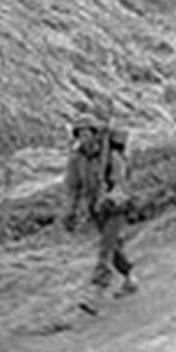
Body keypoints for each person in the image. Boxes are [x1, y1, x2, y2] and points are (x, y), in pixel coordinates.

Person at [62, 118, 138, 297]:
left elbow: (121, 182)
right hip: (96, 209)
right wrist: (70, 212)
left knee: (105, 249)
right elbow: (73, 188)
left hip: (116, 207)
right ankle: (130, 279)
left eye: (87, 133)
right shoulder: (77, 160)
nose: (83, 137)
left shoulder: (112, 156)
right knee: (114, 248)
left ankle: (97, 291)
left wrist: (110, 197)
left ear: (95, 135)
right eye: (80, 134)